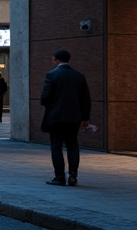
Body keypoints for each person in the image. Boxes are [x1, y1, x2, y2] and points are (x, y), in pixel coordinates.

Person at [40, 49, 91, 187]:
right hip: (74, 118)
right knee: (72, 145)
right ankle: (73, 175)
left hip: (56, 117)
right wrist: (85, 118)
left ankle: (59, 177)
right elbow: (86, 99)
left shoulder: (52, 75)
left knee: (56, 146)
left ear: (56, 60)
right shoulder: (79, 76)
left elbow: (44, 98)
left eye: (53, 59)